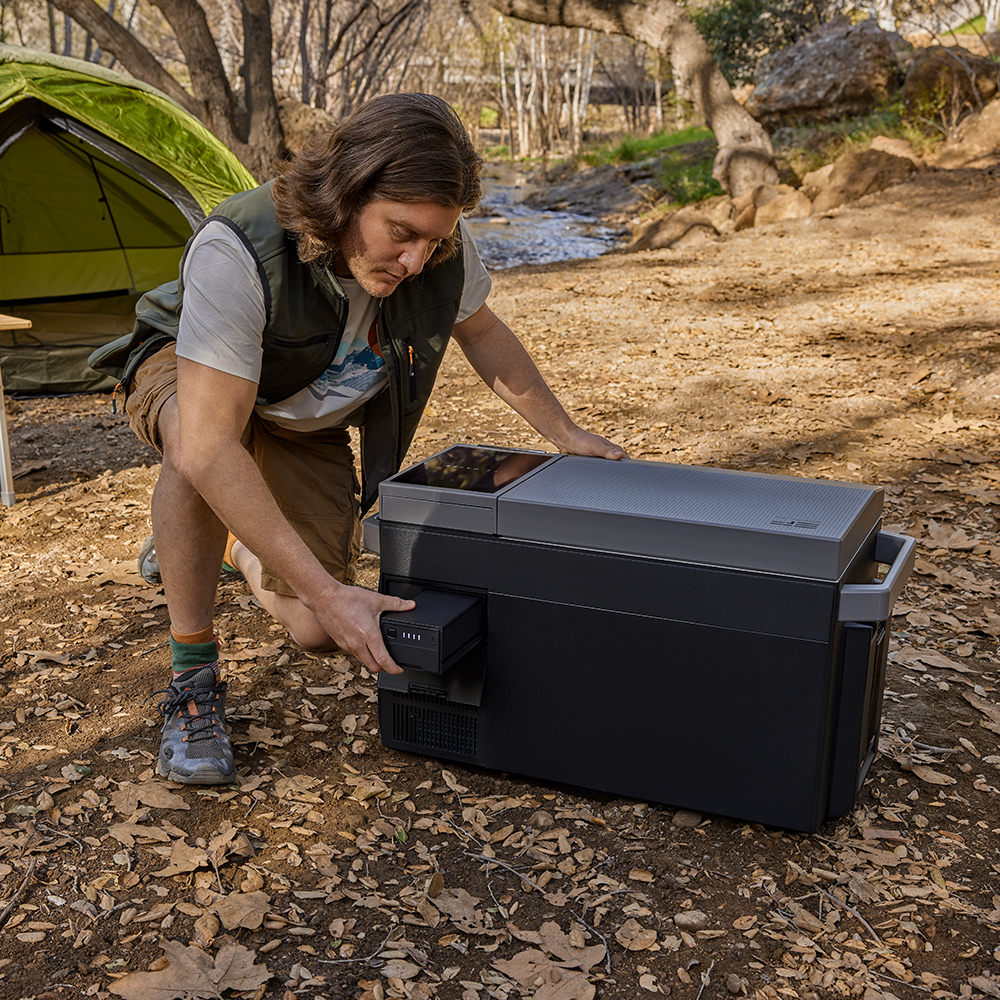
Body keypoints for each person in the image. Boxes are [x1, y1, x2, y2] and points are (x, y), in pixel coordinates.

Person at [91, 93, 624, 786]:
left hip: (299, 415)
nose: (414, 258)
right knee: (196, 462)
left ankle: (230, 541)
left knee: (314, 630)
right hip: (190, 369)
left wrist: (566, 432)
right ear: (346, 194)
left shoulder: (439, 250)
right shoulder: (240, 249)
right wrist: (329, 589)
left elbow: (483, 331)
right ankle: (193, 683)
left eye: (432, 240)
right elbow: (210, 445)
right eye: (400, 232)